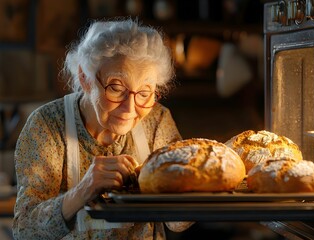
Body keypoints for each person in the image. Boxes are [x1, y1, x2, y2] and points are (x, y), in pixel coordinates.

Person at [12, 18, 193, 239]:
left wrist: (196, 186)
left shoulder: (157, 120)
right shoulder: (48, 125)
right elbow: (25, 231)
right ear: (85, 78)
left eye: (144, 93)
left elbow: (176, 223)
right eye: (116, 88)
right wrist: (83, 190)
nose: (130, 108)